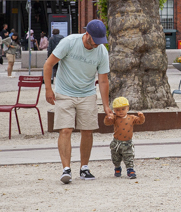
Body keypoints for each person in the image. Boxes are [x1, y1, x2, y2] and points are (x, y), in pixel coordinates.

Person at [43, 20, 112, 184]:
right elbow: (48, 64)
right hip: (64, 92)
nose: (97, 44)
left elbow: (103, 81)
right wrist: (48, 89)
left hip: (87, 93)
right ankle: (66, 169)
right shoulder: (69, 42)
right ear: (87, 34)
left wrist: (107, 106)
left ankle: (84, 167)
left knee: (87, 130)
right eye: (95, 40)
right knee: (65, 129)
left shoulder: (101, 51)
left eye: (100, 41)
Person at [103, 96, 145, 179]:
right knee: (115, 157)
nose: (120, 112)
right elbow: (107, 123)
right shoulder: (115, 118)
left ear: (127, 109)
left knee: (129, 156)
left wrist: (141, 116)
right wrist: (108, 118)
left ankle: (130, 169)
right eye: (117, 110)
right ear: (114, 110)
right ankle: (117, 167)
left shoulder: (131, 118)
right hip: (117, 142)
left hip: (127, 142)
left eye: (123, 109)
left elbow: (140, 121)